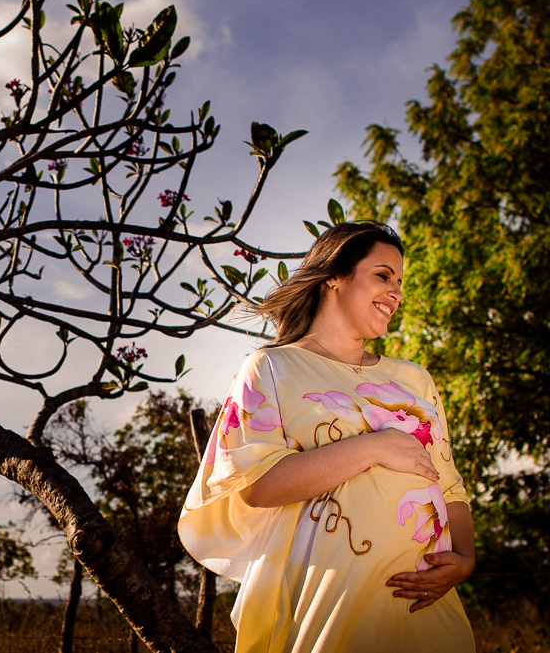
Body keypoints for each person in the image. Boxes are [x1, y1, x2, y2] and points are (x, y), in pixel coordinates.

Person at [178, 222, 475, 653]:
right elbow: (256, 486)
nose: (397, 292)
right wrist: (373, 446)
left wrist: (464, 561)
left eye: (400, 282)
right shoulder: (270, 368)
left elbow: (448, 483)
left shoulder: (415, 379)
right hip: (329, 600)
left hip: (425, 599)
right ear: (334, 276)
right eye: (383, 275)